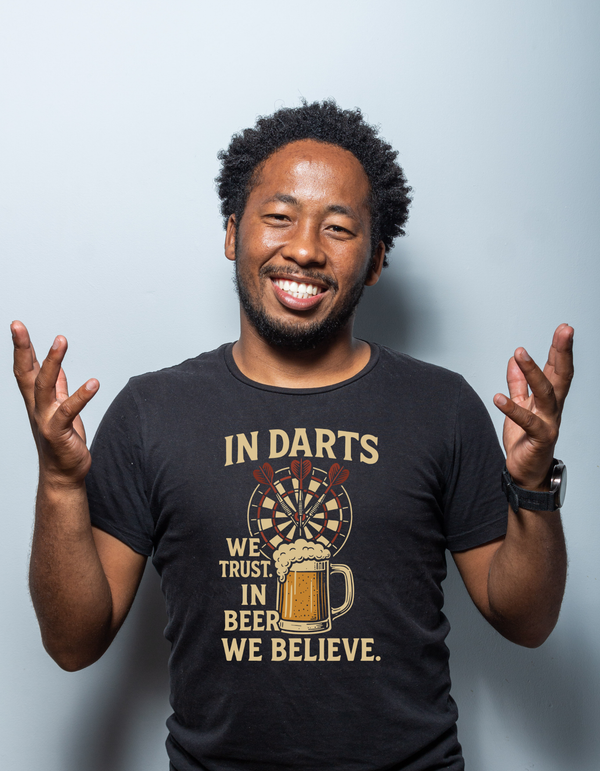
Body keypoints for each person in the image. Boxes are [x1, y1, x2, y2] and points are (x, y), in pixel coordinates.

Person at [12, 100, 573, 771]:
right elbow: (73, 643)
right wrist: (59, 483)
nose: (304, 248)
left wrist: (533, 485)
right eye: (279, 217)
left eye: (338, 227)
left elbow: (527, 620)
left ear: (375, 260)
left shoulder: (441, 406)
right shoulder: (150, 411)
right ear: (231, 232)